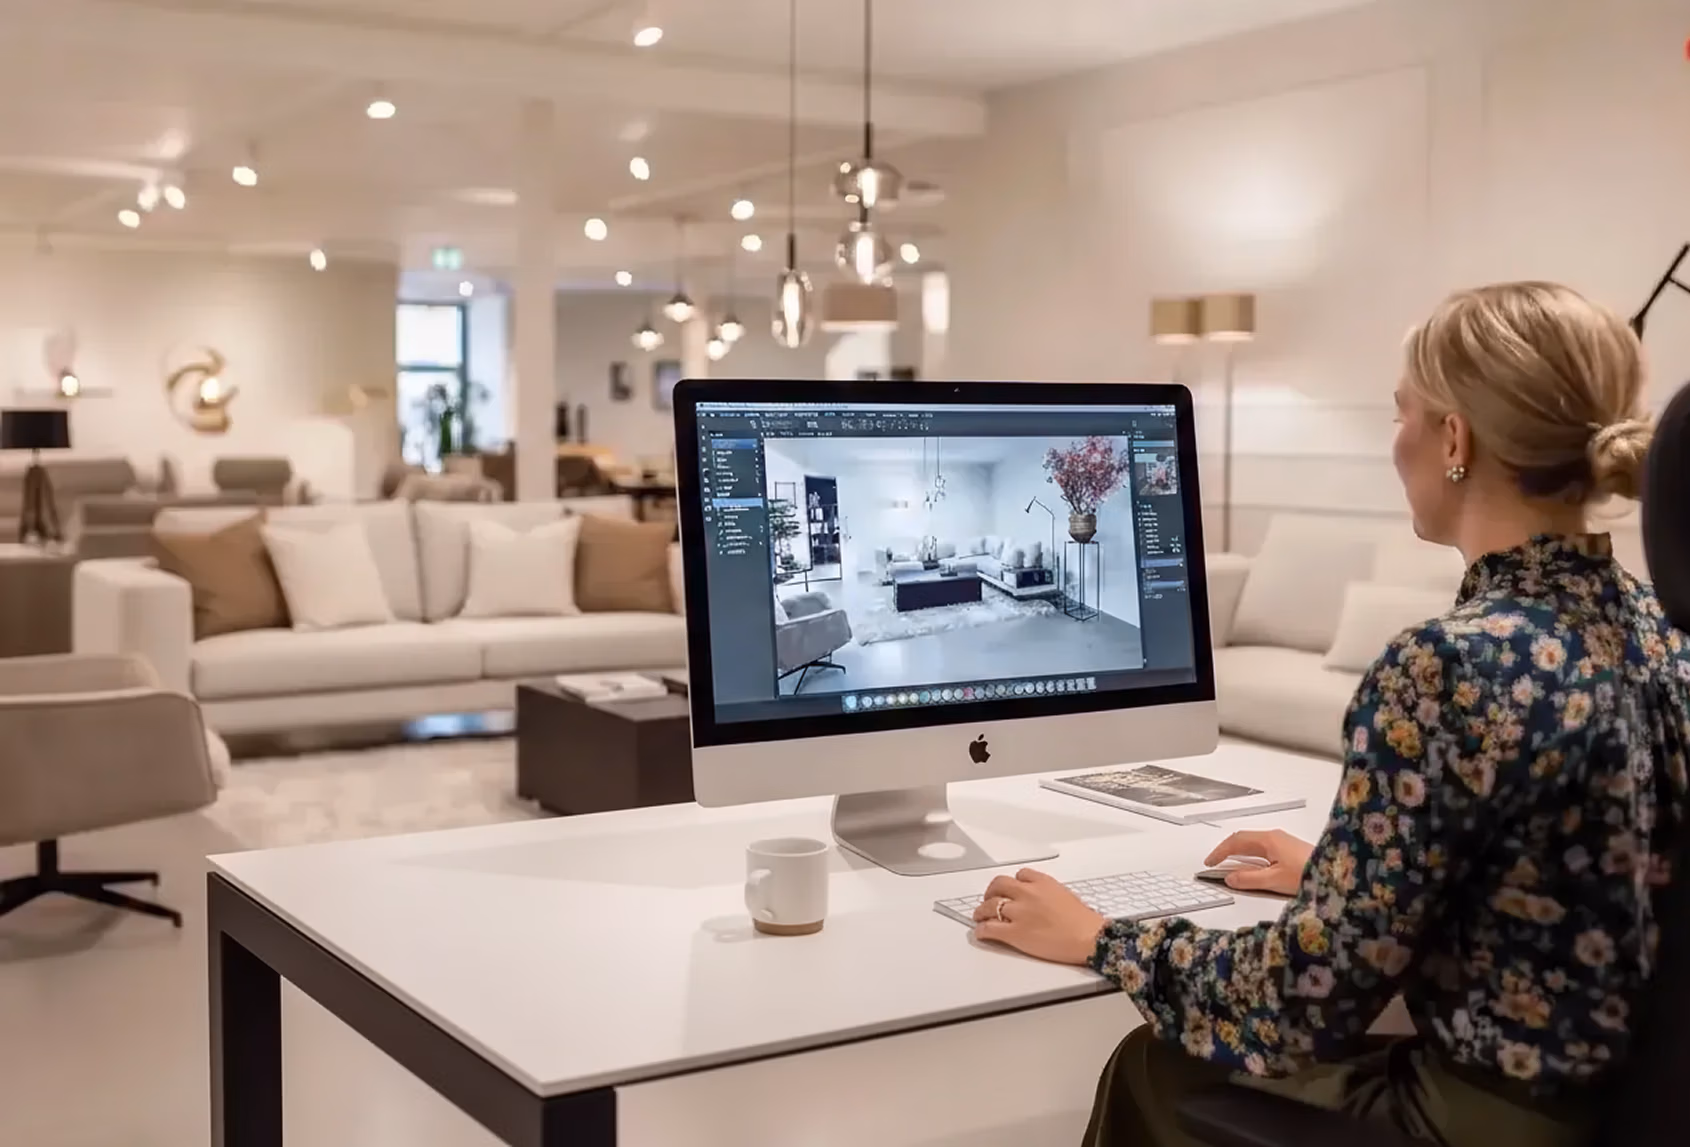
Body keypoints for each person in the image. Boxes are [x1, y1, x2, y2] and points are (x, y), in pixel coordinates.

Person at [972, 282, 1689, 1147]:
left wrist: (1102, 935)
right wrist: (1353, 878)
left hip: (1488, 1119)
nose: (1399, 441)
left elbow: (1295, 1004)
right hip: (1621, 1105)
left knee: (1151, 1064)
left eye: (1403, 415)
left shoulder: (1450, 665)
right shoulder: (1659, 628)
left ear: (1453, 438)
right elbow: (1579, 876)